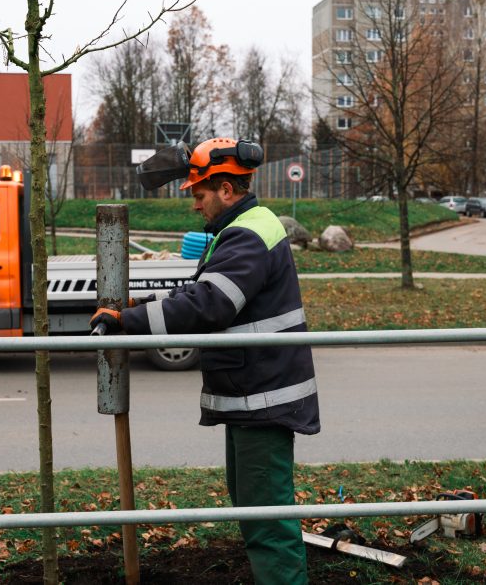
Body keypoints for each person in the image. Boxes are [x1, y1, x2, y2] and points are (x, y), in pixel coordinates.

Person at [90, 137, 319, 584]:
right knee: (257, 511)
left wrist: (127, 324)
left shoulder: (248, 234)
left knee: (268, 521)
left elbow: (210, 304)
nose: (196, 207)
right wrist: (138, 307)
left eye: (199, 195)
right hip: (254, 394)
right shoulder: (240, 231)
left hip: (263, 398)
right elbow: (200, 293)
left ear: (226, 190)